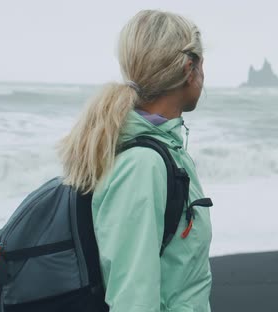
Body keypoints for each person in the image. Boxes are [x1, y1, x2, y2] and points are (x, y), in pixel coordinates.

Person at [57, 10, 212, 312]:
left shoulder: (167, 151)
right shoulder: (143, 165)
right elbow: (132, 300)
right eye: (203, 64)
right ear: (189, 67)